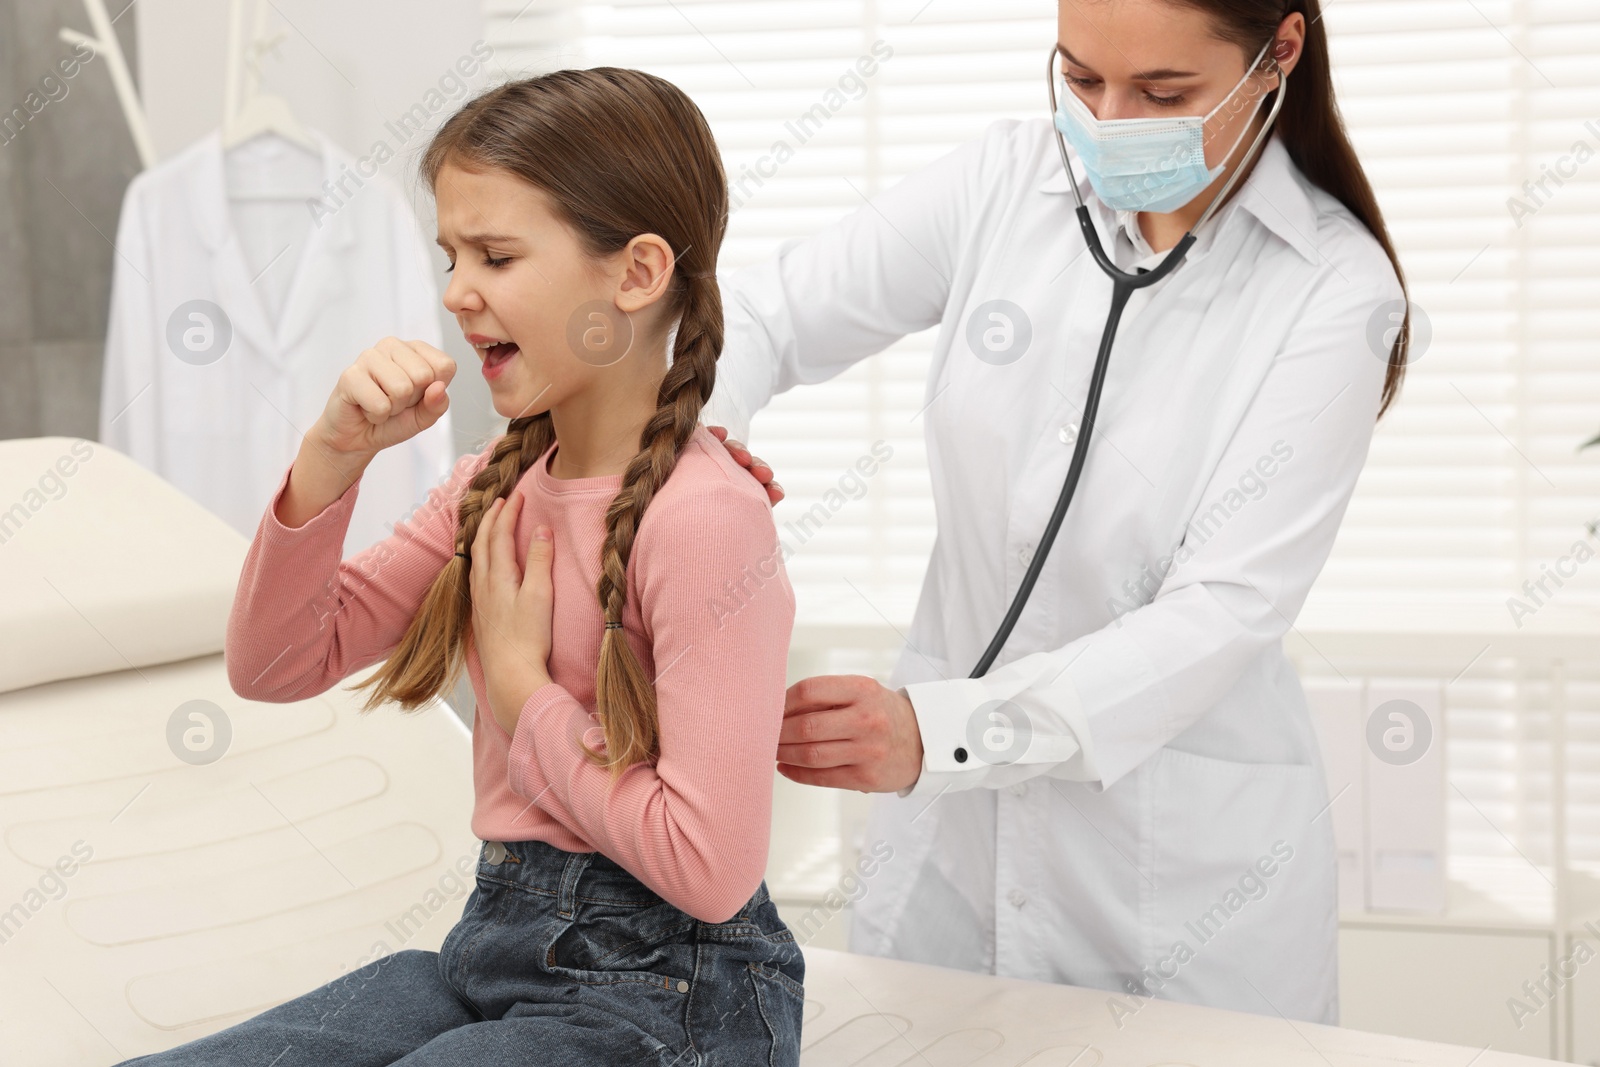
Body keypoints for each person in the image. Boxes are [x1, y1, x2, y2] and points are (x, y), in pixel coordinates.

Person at [703, 0, 1409, 1025]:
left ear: (1278, 53)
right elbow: (763, 313)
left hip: (1178, 891)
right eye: (1080, 80)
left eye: (1162, 94)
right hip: (950, 865)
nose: (1110, 121)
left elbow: (1220, 610)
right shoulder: (1003, 182)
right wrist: (701, 458)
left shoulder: (1336, 292)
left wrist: (937, 731)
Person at [115, 68, 803, 1066]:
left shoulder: (705, 517)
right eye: (450, 256)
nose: (454, 293)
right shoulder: (491, 485)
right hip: (491, 955)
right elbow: (274, 664)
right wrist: (332, 459)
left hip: (680, 994)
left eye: (495, 254)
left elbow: (709, 871)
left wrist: (524, 695)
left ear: (638, 271)